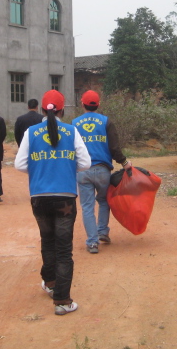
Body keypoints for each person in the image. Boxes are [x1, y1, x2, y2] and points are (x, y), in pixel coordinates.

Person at [15, 90, 91, 315]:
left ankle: (50, 283)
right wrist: (66, 167)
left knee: (47, 241)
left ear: (42, 109)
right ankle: (62, 301)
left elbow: (20, 164)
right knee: (64, 249)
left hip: (39, 197)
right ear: (62, 110)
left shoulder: (30, 132)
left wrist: (40, 169)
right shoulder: (72, 131)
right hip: (65, 196)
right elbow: (85, 163)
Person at [72, 90, 132, 254]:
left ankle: (92, 243)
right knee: (104, 201)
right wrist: (124, 163)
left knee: (87, 207)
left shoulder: (75, 123)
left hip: (83, 171)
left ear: (82, 104)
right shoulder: (106, 121)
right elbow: (114, 148)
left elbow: (71, 148)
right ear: (98, 104)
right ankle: (102, 232)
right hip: (103, 170)